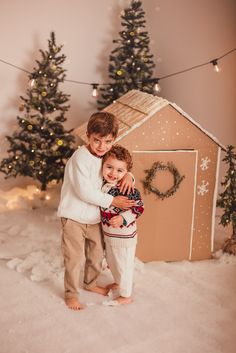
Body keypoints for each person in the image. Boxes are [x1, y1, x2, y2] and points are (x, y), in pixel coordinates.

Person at [57, 111, 135, 310]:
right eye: (97, 141)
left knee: (97, 255)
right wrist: (113, 201)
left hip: (94, 218)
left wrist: (129, 177)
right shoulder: (80, 158)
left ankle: (90, 283)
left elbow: (118, 167)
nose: (102, 147)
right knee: (74, 258)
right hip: (73, 216)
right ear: (88, 136)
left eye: (108, 141)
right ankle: (71, 294)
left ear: (114, 139)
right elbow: (84, 192)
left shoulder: (105, 155)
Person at [101, 144, 144, 305]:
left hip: (124, 237)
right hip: (109, 236)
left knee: (124, 265)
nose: (113, 173)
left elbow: (139, 207)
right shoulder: (104, 186)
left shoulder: (126, 188)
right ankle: (118, 282)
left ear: (126, 172)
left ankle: (126, 295)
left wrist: (123, 218)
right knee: (113, 263)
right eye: (109, 167)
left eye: (120, 170)